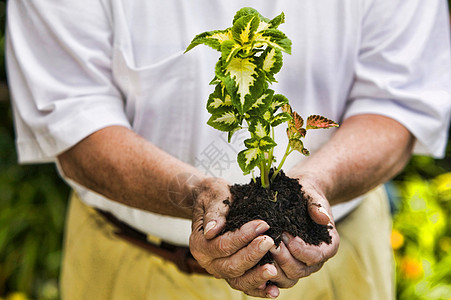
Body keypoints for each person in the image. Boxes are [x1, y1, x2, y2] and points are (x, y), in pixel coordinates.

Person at [6, 0, 451, 299]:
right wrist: (194, 193)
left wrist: (317, 181)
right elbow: (71, 117)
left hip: (336, 263)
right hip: (132, 265)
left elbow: (398, 101)